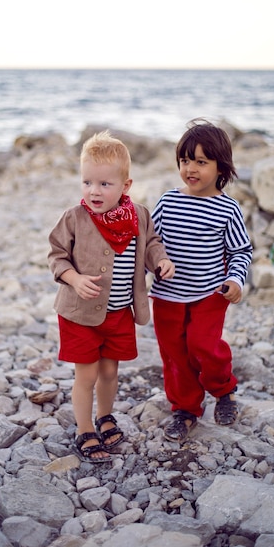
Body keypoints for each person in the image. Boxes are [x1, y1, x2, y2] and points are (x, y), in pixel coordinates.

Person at [48, 130, 175, 463]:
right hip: (80, 314)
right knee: (86, 375)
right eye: (87, 182)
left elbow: (150, 245)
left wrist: (160, 260)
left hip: (118, 312)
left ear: (125, 186)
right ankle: (84, 428)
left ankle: (105, 416)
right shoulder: (74, 218)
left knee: (109, 372)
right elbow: (56, 255)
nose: (94, 191)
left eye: (105, 184)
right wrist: (73, 278)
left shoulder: (139, 217)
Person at [150, 119, 253, 443]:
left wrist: (235, 280)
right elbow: (150, 243)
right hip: (167, 296)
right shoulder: (168, 202)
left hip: (210, 294)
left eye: (200, 161)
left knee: (203, 346)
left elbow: (241, 250)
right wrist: (149, 267)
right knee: (175, 355)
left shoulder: (227, 209)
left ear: (221, 166)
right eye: (185, 160)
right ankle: (185, 408)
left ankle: (224, 389)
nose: (190, 168)